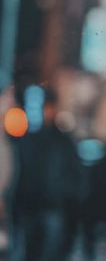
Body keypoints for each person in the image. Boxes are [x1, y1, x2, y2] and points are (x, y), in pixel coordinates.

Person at [7, 89, 82, 261]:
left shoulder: (63, 141)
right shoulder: (27, 140)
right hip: (30, 207)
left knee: (50, 252)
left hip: (52, 206)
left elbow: (73, 174)